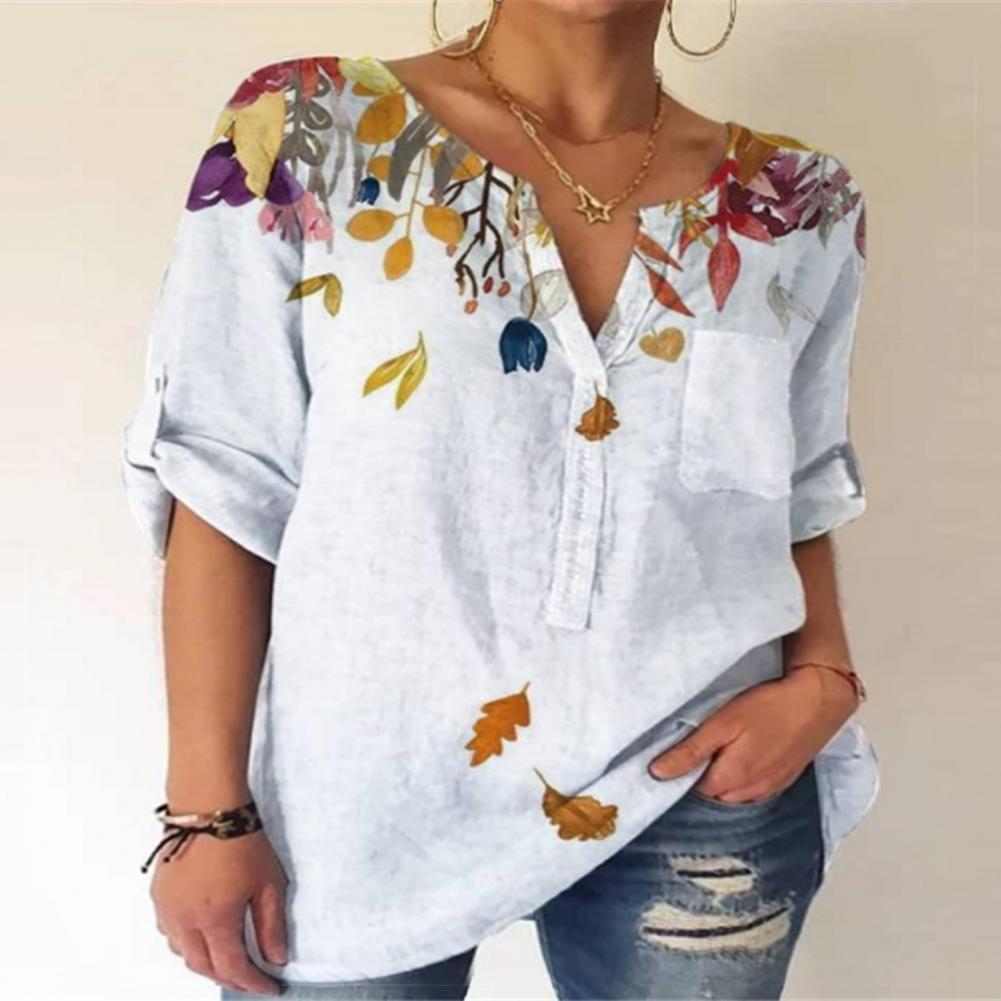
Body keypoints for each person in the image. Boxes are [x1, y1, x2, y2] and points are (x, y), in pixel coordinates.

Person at [120, 0, 880, 997]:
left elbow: (794, 485)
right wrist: (205, 810)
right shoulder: (308, 126)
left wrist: (823, 674)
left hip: (697, 782)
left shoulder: (799, 203)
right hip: (358, 791)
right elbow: (223, 478)